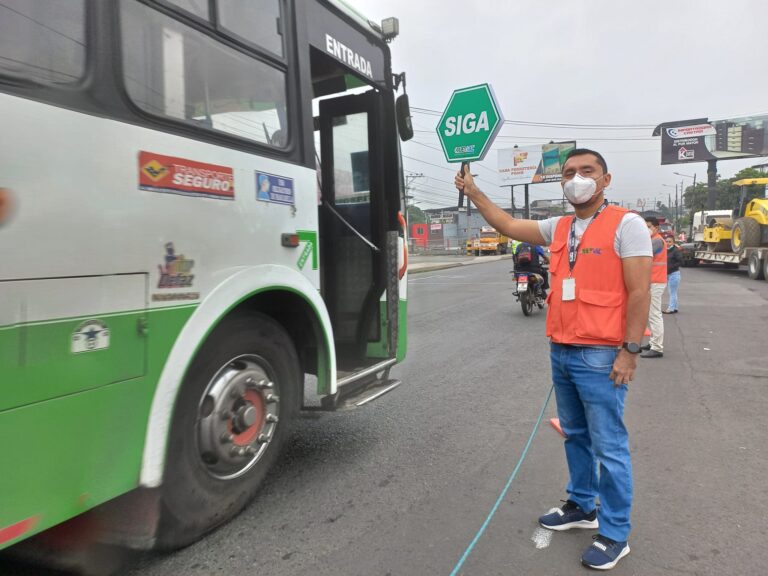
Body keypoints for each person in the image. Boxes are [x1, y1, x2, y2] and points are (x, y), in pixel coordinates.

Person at [455, 148, 651, 571]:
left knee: (610, 446)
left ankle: (615, 533)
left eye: (586, 171)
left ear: (605, 178)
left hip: (602, 354)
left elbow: (639, 292)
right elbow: (507, 224)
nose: (576, 178)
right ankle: (583, 505)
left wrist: (630, 350)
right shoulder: (559, 226)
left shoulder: (626, 224)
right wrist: (473, 192)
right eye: (568, 173)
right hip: (561, 350)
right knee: (576, 435)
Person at [641, 217, 667, 358]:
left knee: (654, 314)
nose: (646, 229)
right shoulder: (655, 240)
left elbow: (643, 255)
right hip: (653, 281)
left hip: (656, 281)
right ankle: (653, 343)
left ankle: (657, 347)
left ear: (656, 227)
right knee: (651, 314)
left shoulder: (656, 241)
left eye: (649, 226)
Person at [663, 236, 682, 314]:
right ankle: (675, 307)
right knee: (672, 291)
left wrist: (672, 267)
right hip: (668, 274)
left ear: (673, 242)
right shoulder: (666, 250)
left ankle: (671, 308)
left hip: (674, 274)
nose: (667, 243)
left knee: (672, 292)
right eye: (666, 241)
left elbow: (680, 261)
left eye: (669, 241)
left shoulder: (676, 250)